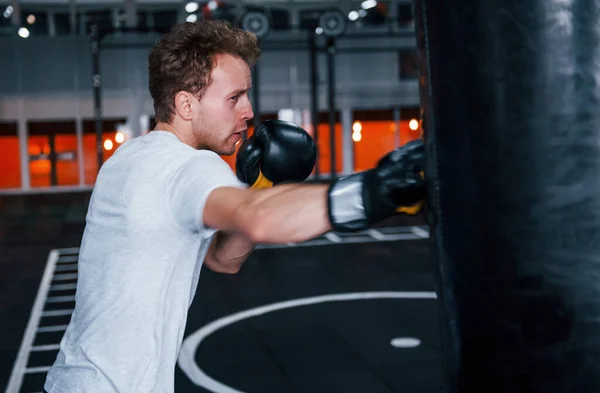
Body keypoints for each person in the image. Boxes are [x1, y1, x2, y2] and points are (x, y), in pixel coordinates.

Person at [43, 19, 426, 393]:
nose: (248, 111)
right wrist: (376, 190)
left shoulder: (130, 160)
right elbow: (258, 219)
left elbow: (223, 259)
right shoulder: (186, 165)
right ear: (186, 105)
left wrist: (262, 184)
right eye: (234, 97)